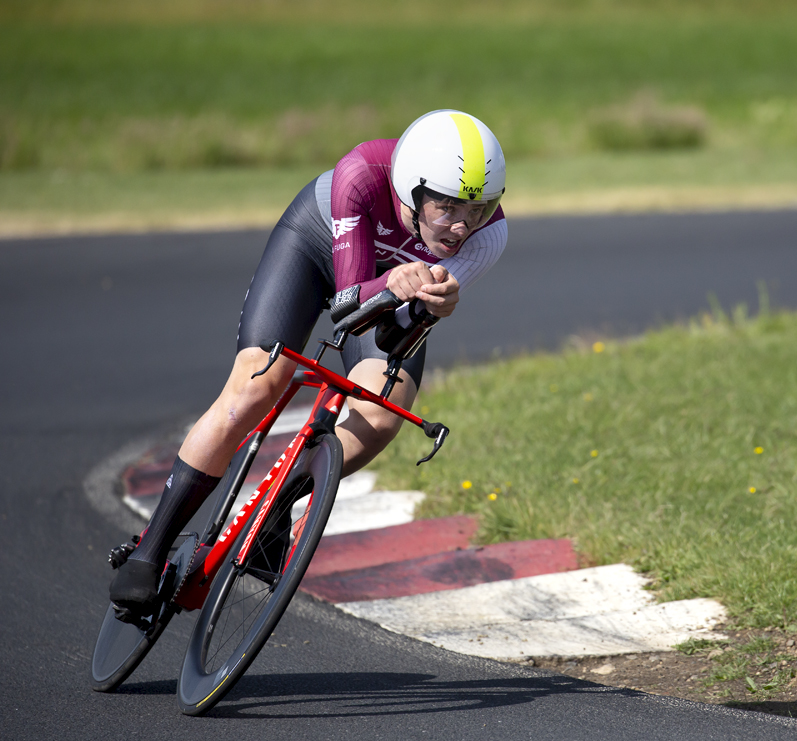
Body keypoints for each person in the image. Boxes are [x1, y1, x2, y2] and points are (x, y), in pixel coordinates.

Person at [109, 109, 508, 615]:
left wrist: (431, 309)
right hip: (318, 246)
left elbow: (391, 332)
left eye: (478, 209)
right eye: (448, 207)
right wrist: (391, 283)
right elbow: (346, 308)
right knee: (257, 382)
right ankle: (150, 549)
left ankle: (277, 504)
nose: (461, 227)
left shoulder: (489, 236)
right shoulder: (362, 174)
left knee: (384, 412)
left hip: (384, 288)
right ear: (412, 189)